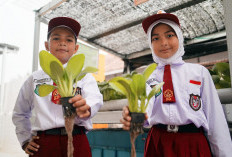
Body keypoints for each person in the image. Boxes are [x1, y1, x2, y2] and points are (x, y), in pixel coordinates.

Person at [121, 10, 232, 156]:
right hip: (158, 142)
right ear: (150, 43)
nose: (164, 43)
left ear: (179, 36)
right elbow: (145, 106)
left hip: (192, 142)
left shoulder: (199, 73)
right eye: (156, 38)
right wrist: (133, 115)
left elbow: (215, 119)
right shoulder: (149, 77)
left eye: (169, 35)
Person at [12, 17, 103, 157]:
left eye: (69, 40)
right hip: (44, 142)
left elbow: (95, 98)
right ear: (46, 45)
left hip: (77, 138)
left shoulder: (84, 75)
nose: (62, 43)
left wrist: (87, 106)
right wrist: (25, 140)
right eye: (56, 38)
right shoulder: (35, 78)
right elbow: (20, 113)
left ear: (76, 48)